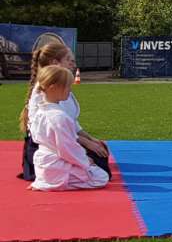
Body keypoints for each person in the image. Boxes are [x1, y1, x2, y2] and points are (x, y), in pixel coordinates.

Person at [19, 42, 109, 181]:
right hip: (46, 146)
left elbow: (71, 123)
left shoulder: (57, 88)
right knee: (101, 169)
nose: (73, 64)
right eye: (69, 60)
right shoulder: (47, 92)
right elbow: (60, 131)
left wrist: (90, 139)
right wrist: (86, 146)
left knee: (101, 152)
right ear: (55, 63)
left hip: (60, 140)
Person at [29, 65, 109, 191]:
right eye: (67, 87)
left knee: (94, 170)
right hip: (56, 166)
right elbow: (67, 147)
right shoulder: (58, 117)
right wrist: (85, 160)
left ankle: (47, 180)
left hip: (43, 164)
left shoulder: (40, 112)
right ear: (53, 88)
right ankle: (55, 183)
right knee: (101, 177)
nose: (70, 90)